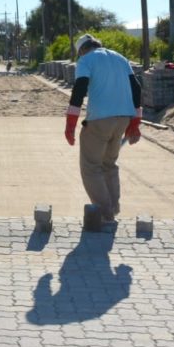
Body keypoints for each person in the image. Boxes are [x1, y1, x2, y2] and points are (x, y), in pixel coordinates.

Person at [65, 33, 143, 222]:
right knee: (109, 164)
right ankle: (113, 209)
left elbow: (79, 89)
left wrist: (71, 123)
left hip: (99, 120)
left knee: (91, 167)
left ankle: (104, 213)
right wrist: (136, 121)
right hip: (123, 119)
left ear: (82, 50)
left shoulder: (85, 61)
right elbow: (136, 88)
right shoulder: (120, 58)